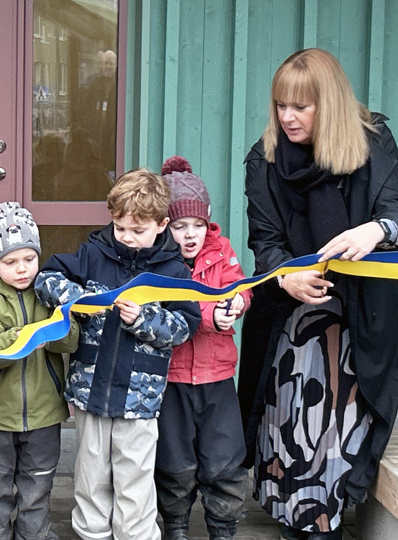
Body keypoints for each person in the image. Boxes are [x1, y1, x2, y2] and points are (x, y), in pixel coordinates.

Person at [238, 48, 398, 540]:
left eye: (301, 107)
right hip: (292, 312)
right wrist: (284, 277)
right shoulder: (265, 157)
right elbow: (265, 240)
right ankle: (300, 519)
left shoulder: (372, 142)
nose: (287, 117)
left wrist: (374, 231)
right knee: (292, 420)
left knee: (340, 429)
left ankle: (324, 522)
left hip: (361, 313)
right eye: (280, 106)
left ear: (328, 104)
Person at [35, 169, 202, 540]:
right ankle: (91, 534)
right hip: (90, 394)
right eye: (120, 227)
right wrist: (77, 299)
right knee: (90, 477)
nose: (126, 238)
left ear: (162, 225)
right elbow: (46, 278)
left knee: (134, 482)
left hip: (139, 402)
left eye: (137, 230)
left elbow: (184, 326)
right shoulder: (94, 253)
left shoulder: (173, 271)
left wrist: (143, 318)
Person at [0, 202, 80, 540]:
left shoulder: (48, 295)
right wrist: (25, 336)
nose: (22, 269)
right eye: (10, 262)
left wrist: (55, 331)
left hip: (45, 412)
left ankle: (34, 534)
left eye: (29, 259)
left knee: (37, 484)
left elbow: (71, 340)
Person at [154, 157, 252, 540]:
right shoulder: (160, 260)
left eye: (197, 225)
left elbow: (240, 286)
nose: (190, 235)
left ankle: (222, 528)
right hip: (173, 377)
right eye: (180, 226)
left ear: (208, 219)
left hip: (217, 376)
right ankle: (176, 525)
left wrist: (240, 303)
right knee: (175, 460)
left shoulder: (222, 250)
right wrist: (213, 315)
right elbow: (179, 307)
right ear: (166, 225)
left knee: (224, 459)